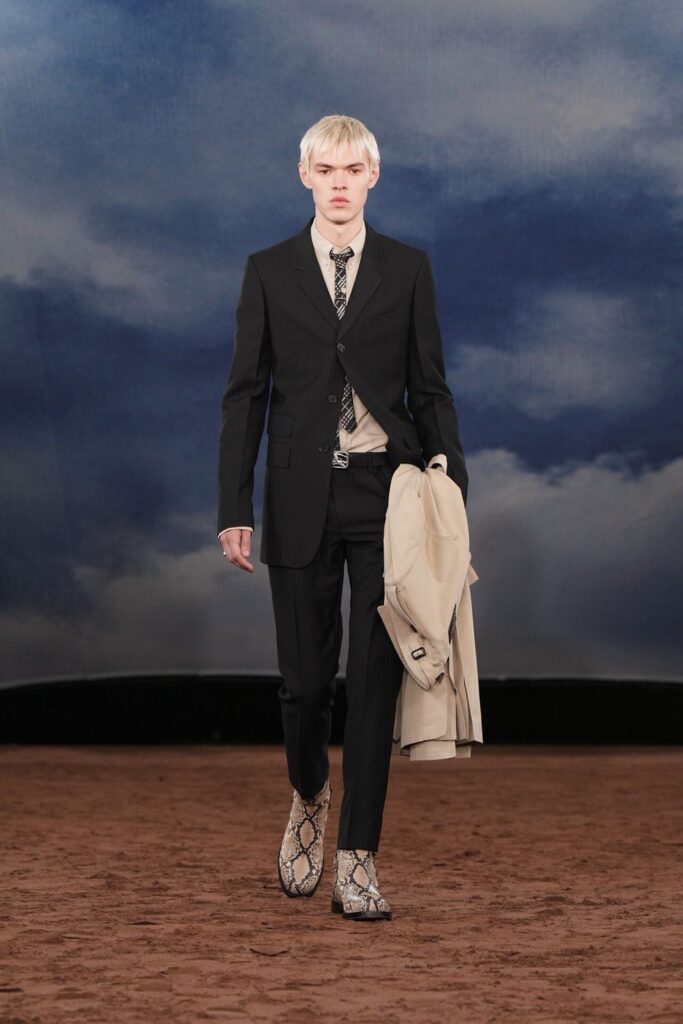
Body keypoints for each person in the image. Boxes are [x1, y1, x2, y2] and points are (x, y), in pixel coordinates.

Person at [216, 114, 468, 921]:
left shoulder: (407, 268)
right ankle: (308, 796)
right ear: (304, 176)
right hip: (297, 498)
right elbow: (245, 395)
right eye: (324, 169)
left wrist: (451, 493)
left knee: (372, 686)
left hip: (386, 498)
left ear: (372, 177)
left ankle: (358, 858)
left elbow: (429, 387)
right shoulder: (267, 271)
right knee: (302, 689)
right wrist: (233, 506)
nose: (338, 183)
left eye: (352, 170)